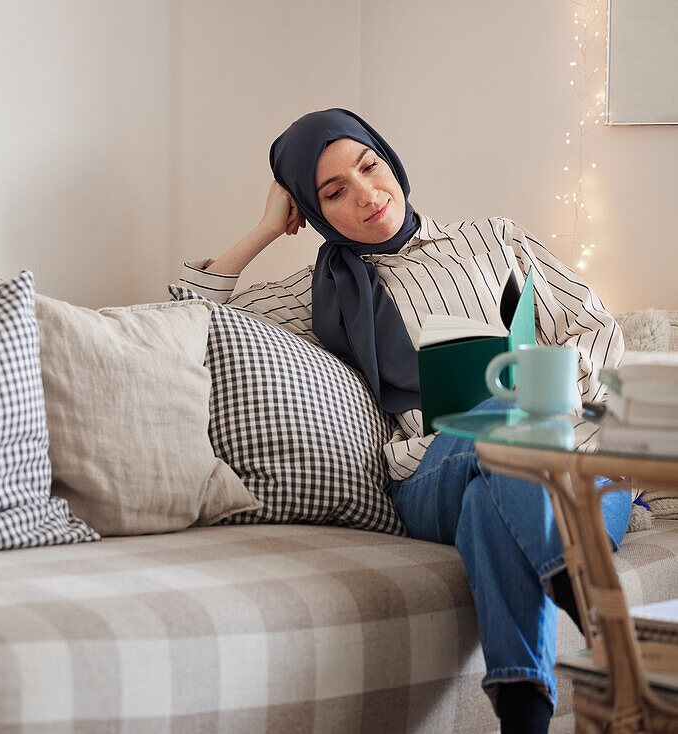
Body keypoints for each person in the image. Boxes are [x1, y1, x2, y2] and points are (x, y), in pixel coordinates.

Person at [176, 108, 631, 734]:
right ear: (310, 211)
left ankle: (524, 715)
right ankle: (574, 576)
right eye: (333, 192)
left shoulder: (493, 240)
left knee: (489, 494)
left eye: (369, 167)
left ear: (390, 159)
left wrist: (548, 390)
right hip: (428, 472)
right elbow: (179, 319)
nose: (366, 196)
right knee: (492, 429)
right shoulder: (319, 292)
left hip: (574, 458)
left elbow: (596, 330)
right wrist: (262, 229)